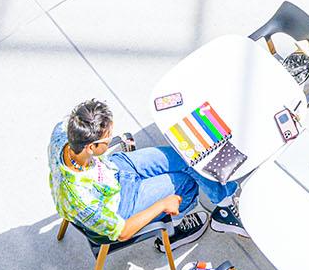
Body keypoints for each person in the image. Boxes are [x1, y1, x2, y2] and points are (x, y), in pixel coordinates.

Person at [48, 98, 241, 249]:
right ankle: (176, 232)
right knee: (186, 183)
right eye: (107, 141)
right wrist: (162, 204)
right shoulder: (80, 198)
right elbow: (122, 232)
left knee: (186, 154)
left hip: (112, 170)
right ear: (91, 147)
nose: (110, 140)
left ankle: (224, 203)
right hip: (120, 204)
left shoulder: (63, 133)